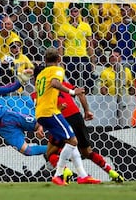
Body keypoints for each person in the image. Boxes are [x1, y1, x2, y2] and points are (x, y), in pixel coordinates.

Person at [32, 63, 124, 183]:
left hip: (61, 118)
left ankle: (63, 171)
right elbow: (79, 92)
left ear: (35, 78)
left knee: (51, 153)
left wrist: (40, 127)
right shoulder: (63, 84)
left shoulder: (37, 92)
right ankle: (111, 172)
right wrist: (87, 111)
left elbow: (44, 109)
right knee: (86, 151)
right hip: (77, 117)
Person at [35, 47, 101, 185]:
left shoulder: (41, 75)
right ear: (59, 59)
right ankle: (58, 175)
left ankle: (82, 175)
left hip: (42, 112)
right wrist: (72, 92)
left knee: (72, 142)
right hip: (50, 112)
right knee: (73, 142)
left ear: (45, 60)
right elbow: (54, 83)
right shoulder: (57, 70)